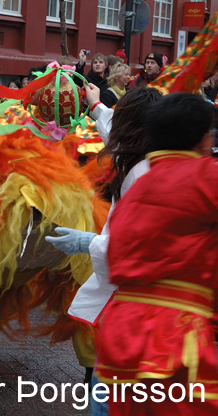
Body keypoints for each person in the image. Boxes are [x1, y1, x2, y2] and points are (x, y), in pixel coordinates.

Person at [95, 93, 218, 414]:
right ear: (204, 139)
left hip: (122, 332)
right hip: (176, 332)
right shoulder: (207, 177)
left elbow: (113, 257)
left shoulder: (135, 187)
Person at [46, 85, 162, 414]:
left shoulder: (144, 175)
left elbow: (134, 248)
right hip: (134, 302)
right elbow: (110, 124)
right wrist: (94, 101)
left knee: (110, 392)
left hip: (135, 302)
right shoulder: (140, 152)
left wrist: (87, 243)